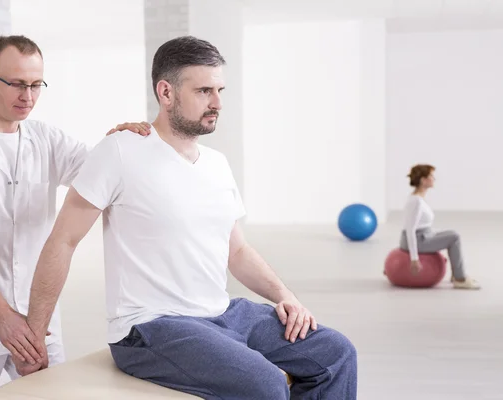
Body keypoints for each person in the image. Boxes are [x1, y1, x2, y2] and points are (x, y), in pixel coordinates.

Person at [19, 35, 357, 399]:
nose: (218, 103)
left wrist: (285, 296)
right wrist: (34, 336)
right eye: (204, 91)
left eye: (220, 90)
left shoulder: (217, 164)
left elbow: (237, 251)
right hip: (151, 327)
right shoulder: (119, 151)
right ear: (166, 93)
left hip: (222, 314)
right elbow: (63, 241)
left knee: (335, 353)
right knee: (264, 384)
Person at [0, 34, 151, 400]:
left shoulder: (48, 139)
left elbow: (103, 176)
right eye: (17, 84)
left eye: (36, 84)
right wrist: (1, 316)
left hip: (38, 321)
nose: (28, 96)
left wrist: (121, 143)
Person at [399, 164, 480, 289]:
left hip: (423, 235)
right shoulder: (416, 201)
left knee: (452, 233)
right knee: (454, 237)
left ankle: (456, 275)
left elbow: (422, 225)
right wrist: (414, 259)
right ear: (423, 180)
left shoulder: (419, 198)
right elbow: (410, 230)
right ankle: (460, 279)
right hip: (418, 239)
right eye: (431, 176)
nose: (434, 179)